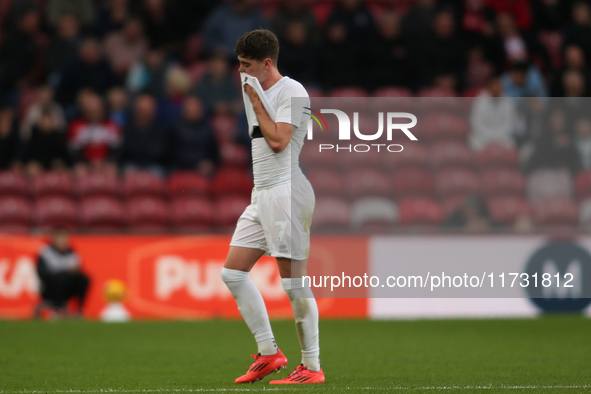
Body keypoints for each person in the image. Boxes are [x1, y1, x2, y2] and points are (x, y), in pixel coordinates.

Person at [222, 29, 323, 384]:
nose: (241, 72)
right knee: (232, 273)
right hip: (262, 193)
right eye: (238, 65)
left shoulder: (292, 92)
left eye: (246, 65)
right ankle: (269, 353)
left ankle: (311, 366)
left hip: (286, 191)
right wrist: (253, 91)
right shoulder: (254, 86)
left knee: (294, 284)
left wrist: (254, 96)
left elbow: (279, 141)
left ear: (266, 64)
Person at [35, 228, 90, 319]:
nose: (62, 241)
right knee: (60, 279)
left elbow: (77, 272)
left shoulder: (72, 254)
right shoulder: (45, 253)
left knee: (84, 279)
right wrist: (64, 273)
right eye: (59, 238)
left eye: (64, 238)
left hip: (68, 288)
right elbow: (42, 273)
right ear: (53, 239)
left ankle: (80, 309)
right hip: (50, 288)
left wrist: (74, 272)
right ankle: (56, 309)